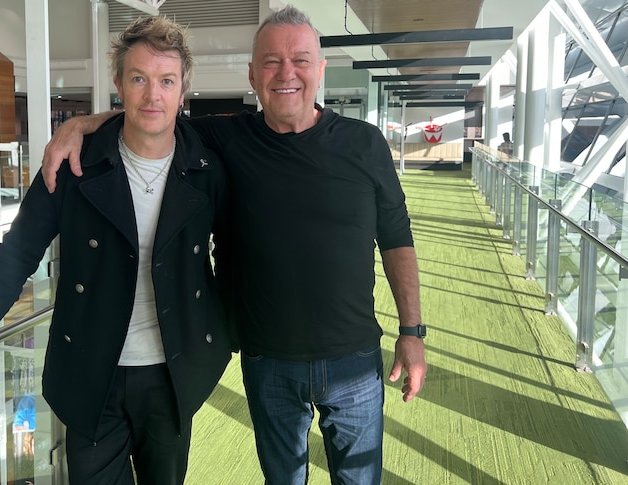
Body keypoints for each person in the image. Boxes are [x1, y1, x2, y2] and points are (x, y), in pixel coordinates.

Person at [40, 6, 427, 484]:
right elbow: (150, 113)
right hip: (268, 363)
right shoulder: (223, 138)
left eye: (301, 60)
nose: (286, 73)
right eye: (271, 61)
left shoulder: (365, 145)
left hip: (354, 361)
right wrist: (81, 124)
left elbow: (396, 237)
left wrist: (412, 333)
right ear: (252, 74)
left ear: (320, 69)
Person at [0, 15, 233, 484]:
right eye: (139, 78)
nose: (152, 95)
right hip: (91, 373)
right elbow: (17, 253)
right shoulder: (75, 164)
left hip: (172, 374)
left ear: (182, 89)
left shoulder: (207, 166)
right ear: (118, 83)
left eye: (165, 81)